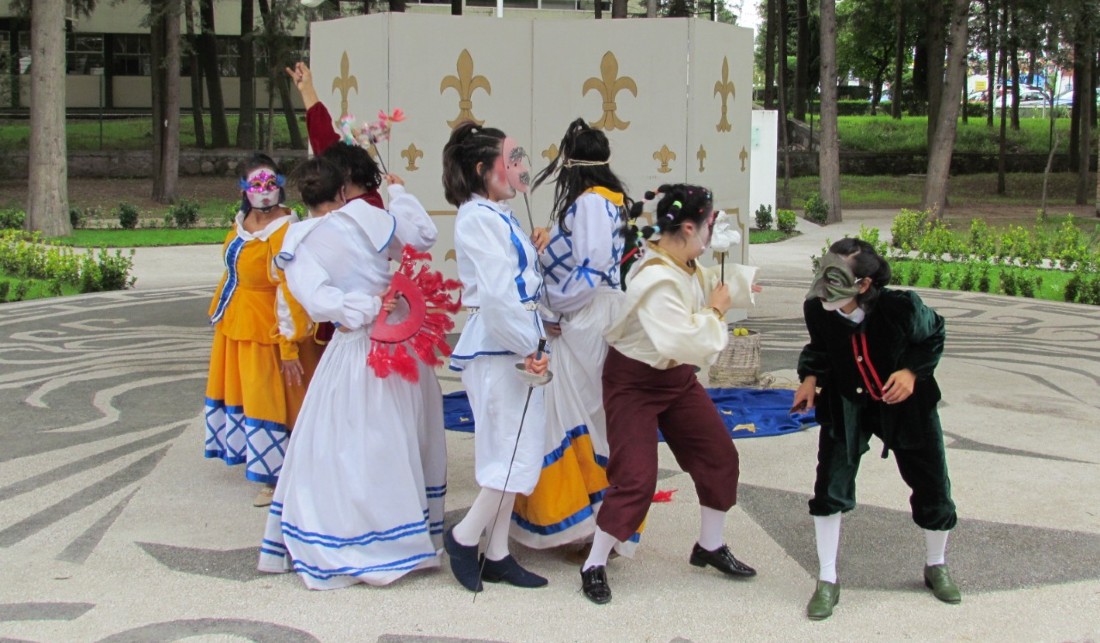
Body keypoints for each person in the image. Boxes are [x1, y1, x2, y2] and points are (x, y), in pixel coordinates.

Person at [257, 157, 447, 590]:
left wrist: (357, 309)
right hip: (395, 340)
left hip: (355, 345)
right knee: (395, 435)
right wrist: (399, 194)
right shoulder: (373, 219)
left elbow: (317, 300)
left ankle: (347, 535)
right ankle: (400, 535)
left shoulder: (301, 240)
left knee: (344, 440)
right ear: (343, 190)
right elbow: (422, 236)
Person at [578, 184, 760, 605]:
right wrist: (717, 311)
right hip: (634, 383)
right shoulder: (654, 277)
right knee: (636, 478)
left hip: (675, 381)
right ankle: (594, 563)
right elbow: (681, 339)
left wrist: (740, 284)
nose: (713, 234)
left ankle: (709, 546)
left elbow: (707, 282)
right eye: (710, 225)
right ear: (690, 226)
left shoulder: (682, 260)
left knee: (719, 455)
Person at [793, 237, 960, 620]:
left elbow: (934, 334)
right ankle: (827, 578)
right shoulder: (817, 308)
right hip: (846, 402)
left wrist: (911, 372)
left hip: (907, 406)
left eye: (836, 277)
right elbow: (821, 347)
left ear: (864, 284)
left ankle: (936, 564)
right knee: (830, 483)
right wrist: (809, 378)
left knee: (932, 481)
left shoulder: (901, 308)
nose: (824, 287)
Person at [509, 118, 634, 553]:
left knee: (576, 415)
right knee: (586, 415)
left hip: (585, 317)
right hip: (595, 312)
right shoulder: (607, 200)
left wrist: (552, 305)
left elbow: (590, 270)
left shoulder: (591, 204)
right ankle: (590, 520)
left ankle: (586, 523)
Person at [442, 122, 550, 592]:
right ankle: (465, 537)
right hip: (501, 345)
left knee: (516, 449)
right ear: (482, 169)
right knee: (509, 452)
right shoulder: (478, 218)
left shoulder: (493, 214)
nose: (516, 170)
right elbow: (499, 295)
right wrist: (528, 344)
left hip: (515, 340)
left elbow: (517, 286)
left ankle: (500, 550)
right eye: (507, 162)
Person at [203, 153, 321, 508]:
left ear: (281, 185)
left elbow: (290, 290)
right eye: (257, 184)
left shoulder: (286, 230)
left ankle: (279, 476)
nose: (265, 191)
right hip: (237, 324)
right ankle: (264, 464)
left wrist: (288, 347)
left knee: (274, 397)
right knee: (251, 394)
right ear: (243, 188)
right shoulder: (242, 223)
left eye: (271, 183)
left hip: (272, 329)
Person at [285, 62, 385, 210]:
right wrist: (307, 89)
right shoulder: (337, 195)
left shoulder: (369, 207)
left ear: (346, 173)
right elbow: (321, 133)